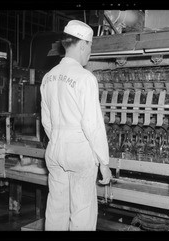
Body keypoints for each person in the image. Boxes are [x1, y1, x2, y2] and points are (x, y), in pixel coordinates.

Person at [40, 20, 112, 231]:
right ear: (82, 45)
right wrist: (104, 163)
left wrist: (59, 140)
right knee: (82, 212)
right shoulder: (85, 77)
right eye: (90, 47)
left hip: (55, 149)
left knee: (56, 210)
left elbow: (47, 121)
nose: (90, 52)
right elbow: (92, 125)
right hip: (80, 151)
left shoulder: (48, 77)